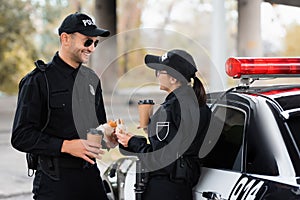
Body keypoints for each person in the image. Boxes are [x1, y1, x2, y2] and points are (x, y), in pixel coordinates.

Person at [11, 12, 117, 200]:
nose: (92, 48)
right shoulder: (37, 81)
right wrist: (65, 146)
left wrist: (109, 138)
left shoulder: (92, 80)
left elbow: (98, 128)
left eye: (95, 43)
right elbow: (21, 136)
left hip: (91, 177)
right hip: (55, 182)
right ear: (65, 39)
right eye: (87, 42)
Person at [117, 49, 212, 200]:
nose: (157, 76)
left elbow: (161, 160)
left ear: (173, 78)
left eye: (159, 72)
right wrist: (151, 129)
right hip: (183, 186)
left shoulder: (170, 109)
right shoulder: (201, 106)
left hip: (164, 187)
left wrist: (132, 142)